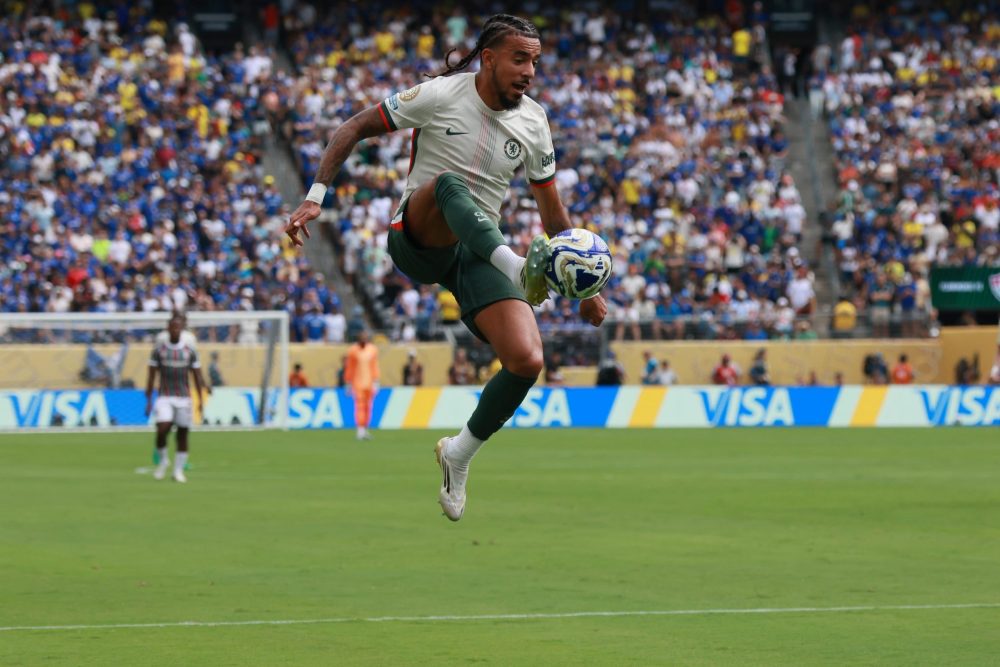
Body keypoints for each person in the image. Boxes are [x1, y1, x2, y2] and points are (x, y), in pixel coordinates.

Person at [285, 13, 607, 521]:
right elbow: (355, 127)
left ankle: (459, 454)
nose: (530, 71)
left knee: (526, 359)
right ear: (489, 59)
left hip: (477, 251)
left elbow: (552, 211)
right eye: (520, 58)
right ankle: (517, 266)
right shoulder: (440, 95)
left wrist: (586, 286)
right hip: (420, 235)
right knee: (451, 185)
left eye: (536, 62)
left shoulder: (534, 121)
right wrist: (315, 196)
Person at [145, 315, 206, 483]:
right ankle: (164, 461)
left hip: (183, 398)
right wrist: (148, 400)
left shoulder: (189, 351)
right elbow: (151, 376)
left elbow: (197, 376)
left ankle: (178, 471)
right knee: (162, 428)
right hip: (164, 396)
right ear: (168, 329)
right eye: (173, 327)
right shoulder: (159, 351)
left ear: (182, 329)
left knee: (182, 434)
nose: (175, 330)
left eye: (178, 328)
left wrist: (200, 401)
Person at [345, 330, 380, 440]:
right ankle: (360, 430)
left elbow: (374, 365)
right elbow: (350, 367)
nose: (364, 339)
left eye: (365, 337)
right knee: (359, 406)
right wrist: (348, 382)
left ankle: (364, 428)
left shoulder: (373, 349)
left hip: (369, 382)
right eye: (362, 337)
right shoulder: (353, 350)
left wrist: (376, 380)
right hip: (358, 382)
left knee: (368, 406)